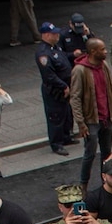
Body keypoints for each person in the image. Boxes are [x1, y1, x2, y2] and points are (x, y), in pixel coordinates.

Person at [71, 38, 112, 190]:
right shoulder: (80, 70)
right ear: (93, 52)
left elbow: (110, 89)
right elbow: (75, 98)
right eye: (102, 49)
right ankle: (83, 184)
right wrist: (80, 123)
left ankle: (105, 181)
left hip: (106, 118)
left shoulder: (103, 65)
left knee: (107, 153)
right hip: (91, 120)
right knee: (89, 154)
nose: (105, 52)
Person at [37, 22, 75, 156]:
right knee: (55, 116)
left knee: (65, 113)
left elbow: (63, 58)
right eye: (54, 34)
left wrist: (74, 55)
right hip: (55, 89)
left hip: (65, 86)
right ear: (47, 35)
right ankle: (56, 144)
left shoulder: (55, 48)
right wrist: (63, 85)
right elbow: (49, 75)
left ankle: (66, 137)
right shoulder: (43, 53)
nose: (57, 35)